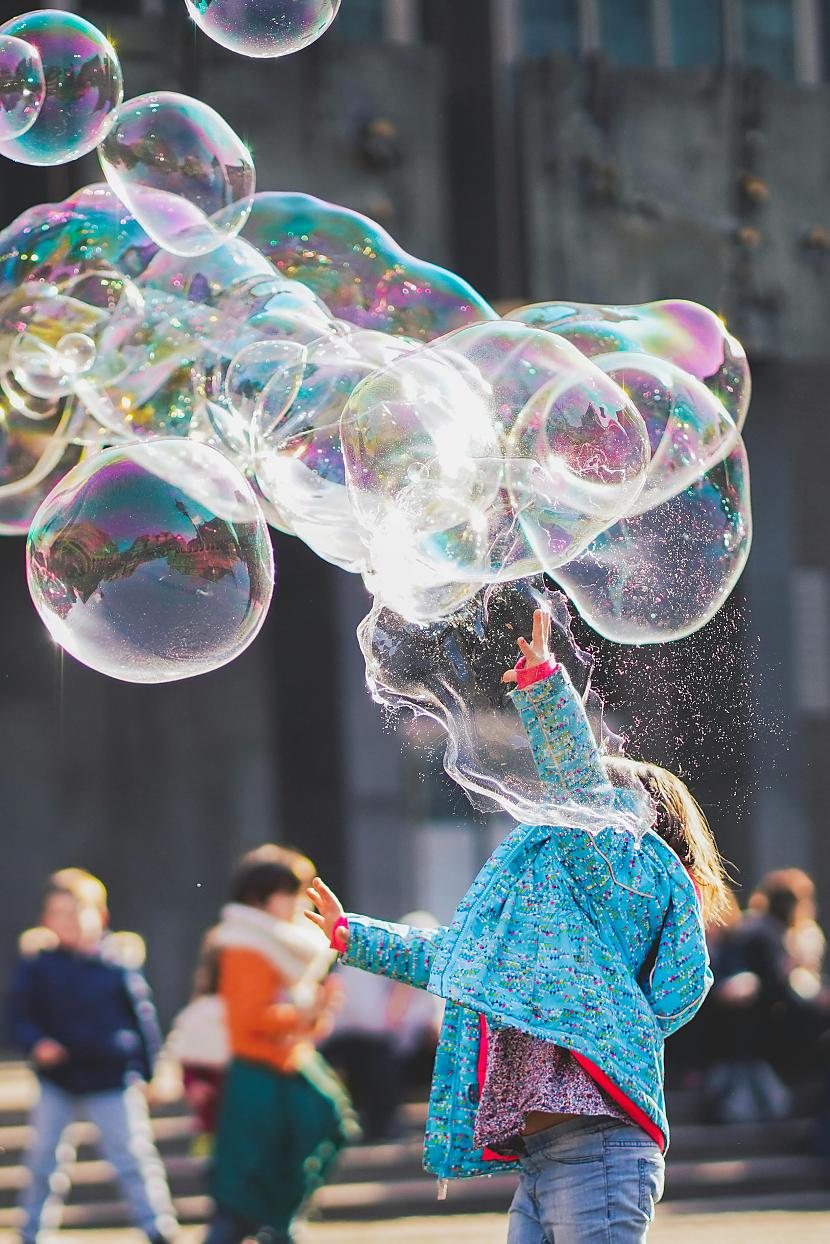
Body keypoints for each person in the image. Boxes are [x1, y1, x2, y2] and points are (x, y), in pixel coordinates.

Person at [307, 609, 728, 1244]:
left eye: (580, 809)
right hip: (543, 1155)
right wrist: (351, 935)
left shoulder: (622, 872)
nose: (553, 814)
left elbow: (582, 788)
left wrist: (543, 688)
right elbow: (453, 959)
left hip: (600, 1149)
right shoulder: (550, 937)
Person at [6, 867, 178, 1244]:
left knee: (132, 1157)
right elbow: (21, 1016)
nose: (69, 922)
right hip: (59, 1080)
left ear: (100, 916)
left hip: (111, 1079)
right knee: (44, 1162)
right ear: (46, 921)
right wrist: (37, 1043)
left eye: (77, 912)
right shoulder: (38, 968)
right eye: (60, 914)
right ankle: (32, 1230)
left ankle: (157, 1226)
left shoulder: (117, 966)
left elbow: (142, 1020)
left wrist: (151, 1072)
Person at [203, 844, 358, 1244]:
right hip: (259, 1070)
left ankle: (280, 1223)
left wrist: (316, 1012)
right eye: (289, 891)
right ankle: (279, 1224)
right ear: (259, 896)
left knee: (324, 1128)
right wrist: (308, 1013)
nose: (295, 901)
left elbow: (298, 1018)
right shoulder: (245, 944)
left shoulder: (284, 943)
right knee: (245, 1185)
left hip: (286, 1064)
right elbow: (250, 1018)